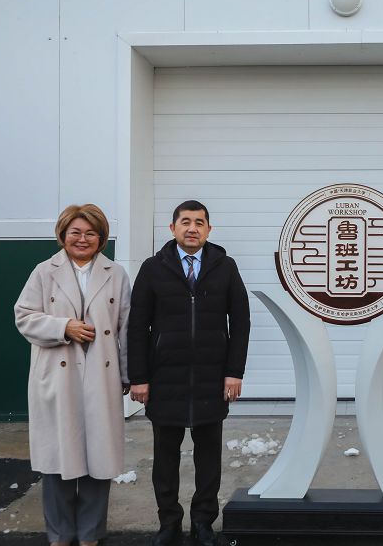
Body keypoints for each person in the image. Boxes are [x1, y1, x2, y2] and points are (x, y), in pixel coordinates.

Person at [128, 199, 250, 546]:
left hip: (212, 379)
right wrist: (139, 377)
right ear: (172, 228)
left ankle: (202, 523)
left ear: (209, 229)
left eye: (199, 222)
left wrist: (234, 372)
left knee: (208, 458)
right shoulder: (153, 268)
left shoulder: (225, 267)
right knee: (165, 459)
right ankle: (169, 523)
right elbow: (137, 326)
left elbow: (241, 321)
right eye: (185, 222)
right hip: (165, 379)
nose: (192, 228)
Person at [14, 204, 131, 546]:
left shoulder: (116, 273)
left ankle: (90, 534)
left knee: (99, 459)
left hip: (101, 377)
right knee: (58, 459)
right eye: (75, 232)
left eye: (91, 233)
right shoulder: (43, 271)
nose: (82, 239)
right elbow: (24, 316)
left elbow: (126, 327)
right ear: (63, 235)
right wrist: (63, 327)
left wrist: (127, 375)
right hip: (57, 377)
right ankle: (61, 535)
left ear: (101, 238)